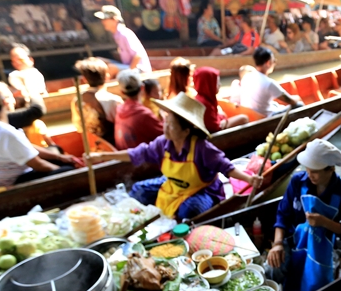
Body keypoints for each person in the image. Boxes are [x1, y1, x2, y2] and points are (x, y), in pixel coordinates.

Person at [86, 93, 262, 219]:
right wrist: (102, 157)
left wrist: (249, 179)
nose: (165, 127)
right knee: (139, 190)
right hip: (172, 184)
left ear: (186, 130)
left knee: (190, 210)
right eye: (166, 122)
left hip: (201, 189)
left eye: (171, 125)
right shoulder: (163, 143)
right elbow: (137, 154)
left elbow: (227, 168)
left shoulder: (202, 148)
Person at [265, 139, 341, 291]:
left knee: (316, 289)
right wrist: (278, 244)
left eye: (315, 171)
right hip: (293, 241)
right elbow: (282, 214)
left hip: (323, 246)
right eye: (307, 169)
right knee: (272, 269)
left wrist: (325, 222)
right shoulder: (297, 182)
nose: (310, 174)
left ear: (330, 169)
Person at [0, 81, 80, 190]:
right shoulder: (6, 133)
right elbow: (38, 164)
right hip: (8, 184)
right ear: (5, 102)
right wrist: (65, 173)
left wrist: (60, 157)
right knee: (66, 170)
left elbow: (26, 146)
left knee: (57, 155)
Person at [239, 47, 302, 116]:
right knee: (299, 105)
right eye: (274, 61)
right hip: (264, 117)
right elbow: (292, 101)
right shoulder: (269, 83)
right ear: (268, 63)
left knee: (274, 103)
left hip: (251, 115)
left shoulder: (247, 76)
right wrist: (297, 98)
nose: (274, 63)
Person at [74, 57, 122, 145]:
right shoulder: (113, 100)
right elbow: (123, 127)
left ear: (84, 79)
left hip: (91, 144)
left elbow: (78, 127)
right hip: (113, 144)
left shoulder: (77, 100)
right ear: (107, 77)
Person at [94, 5, 152, 75]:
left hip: (139, 70)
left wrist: (129, 73)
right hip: (128, 66)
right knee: (99, 61)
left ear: (114, 20)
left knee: (111, 68)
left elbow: (138, 56)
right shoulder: (116, 34)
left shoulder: (123, 33)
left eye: (105, 19)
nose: (103, 22)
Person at [114, 70, 163, 150]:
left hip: (123, 157)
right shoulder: (144, 114)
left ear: (122, 92)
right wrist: (162, 114)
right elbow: (166, 135)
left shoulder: (119, 110)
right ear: (142, 88)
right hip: (142, 161)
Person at [192, 66, 249, 132]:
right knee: (244, 118)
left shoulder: (205, 97)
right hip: (216, 133)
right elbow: (214, 128)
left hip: (218, 123)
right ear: (209, 84)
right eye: (217, 82)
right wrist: (224, 121)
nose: (220, 84)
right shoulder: (204, 104)